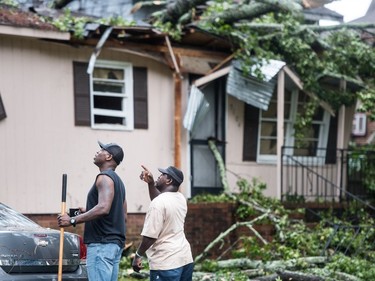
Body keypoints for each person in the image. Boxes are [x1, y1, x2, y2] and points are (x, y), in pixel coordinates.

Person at [58, 141, 127, 281]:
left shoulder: (104, 178)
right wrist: (87, 210)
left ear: (108, 157)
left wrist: (72, 220)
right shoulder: (119, 182)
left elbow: (103, 208)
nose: (97, 152)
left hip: (101, 245)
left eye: (101, 150)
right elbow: (123, 216)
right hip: (114, 245)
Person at [132, 165, 194, 281]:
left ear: (169, 180)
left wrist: (138, 255)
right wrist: (151, 183)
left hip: (166, 263)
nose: (158, 177)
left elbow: (150, 237)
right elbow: (162, 199)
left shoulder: (158, 203)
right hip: (185, 259)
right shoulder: (181, 198)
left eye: (162, 175)